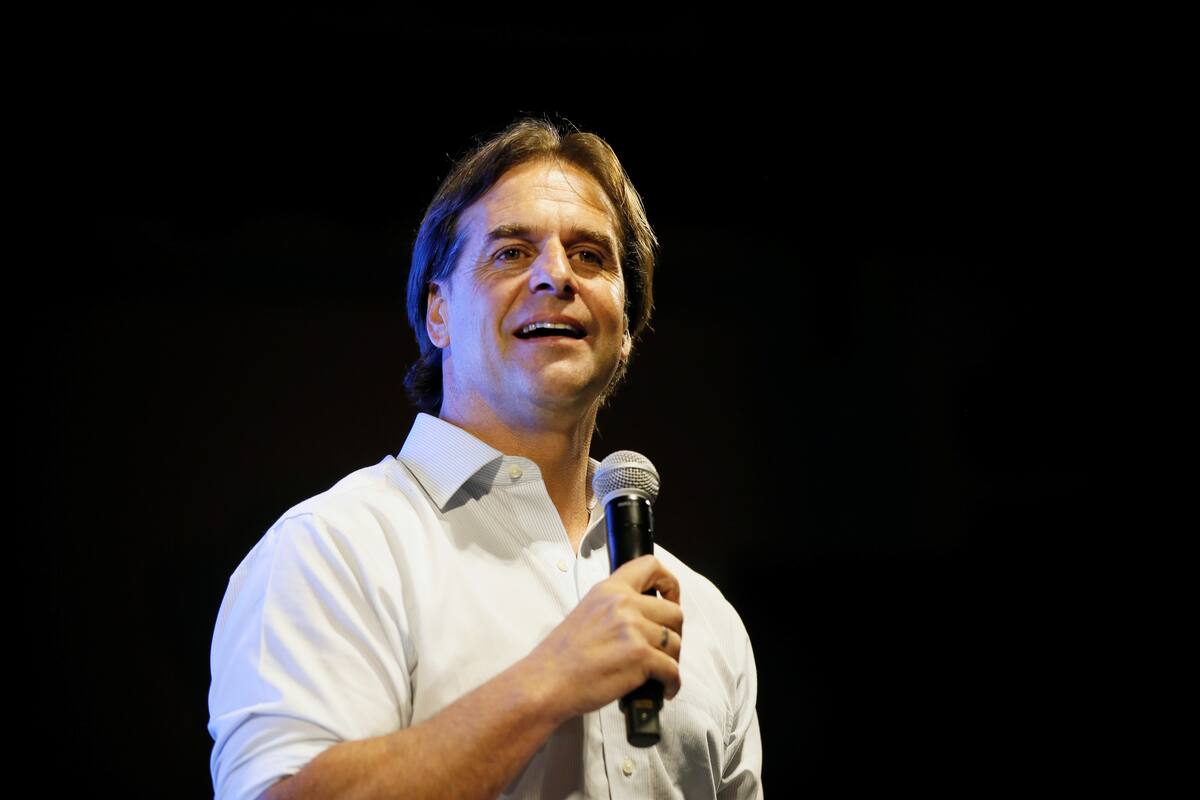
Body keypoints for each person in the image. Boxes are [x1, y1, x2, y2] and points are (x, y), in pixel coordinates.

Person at [208, 116, 763, 799]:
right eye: (511, 253)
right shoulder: (334, 549)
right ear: (437, 313)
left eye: (591, 255)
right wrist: (548, 680)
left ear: (626, 330)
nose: (556, 274)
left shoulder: (706, 616)